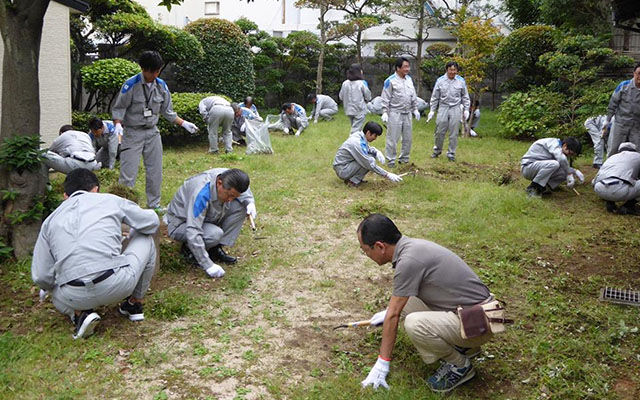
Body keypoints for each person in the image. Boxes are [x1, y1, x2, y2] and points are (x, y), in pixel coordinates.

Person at [357, 214, 495, 393]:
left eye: (365, 250)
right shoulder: (412, 247)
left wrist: (382, 364)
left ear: (379, 246)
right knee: (405, 303)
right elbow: (399, 305)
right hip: (478, 314)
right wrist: (390, 312)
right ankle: (466, 347)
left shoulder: (408, 262)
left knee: (415, 324)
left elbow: (394, 315)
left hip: (481, 322)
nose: (366, 255)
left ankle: (460, 365)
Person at [32, 169, 159, 339]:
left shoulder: (50, 220)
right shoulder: (110, 200)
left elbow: (41, 276)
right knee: (146, 237)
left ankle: (79, 314)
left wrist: (51, 285)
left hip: (73, 295)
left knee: (53, 288)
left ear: (65, 196)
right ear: (96, 189)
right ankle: (134, 304)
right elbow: (151, 223)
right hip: (117, 284)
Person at [111, 50, 199, 210]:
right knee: (128, 171)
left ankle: (154, 204)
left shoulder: (161, 86)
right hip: (133, 132)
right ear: (143, 69)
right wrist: (118, 124)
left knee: (155, 170)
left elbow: (167, 111)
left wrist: (184, 123)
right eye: (150, 71)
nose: (154, 74)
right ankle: (123, 206)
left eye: (157, 71)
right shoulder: (130, 85)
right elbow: (120, 108)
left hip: (152, 132)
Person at [165, 168, 257, 279]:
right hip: (181, 223)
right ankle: (190, 251)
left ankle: (214, 249)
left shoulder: (229, 176)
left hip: (204, 217)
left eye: (234, 196)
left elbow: (243, 192)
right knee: (214, 234)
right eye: (230, 195)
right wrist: (207, 265)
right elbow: (193, 230)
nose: (230, 200)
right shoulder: (201, 194)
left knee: (241, 207)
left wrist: (249, 202)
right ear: (219, 183)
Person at [333, 121, 403, 187]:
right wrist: (387, 174)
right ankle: (352, 181)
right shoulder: (356, 143)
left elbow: (367, 148)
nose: (375, 138)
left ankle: (354, 179)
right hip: (342, 169)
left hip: (346, 165)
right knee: (369, 160)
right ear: (368, 133)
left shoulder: (359, 136)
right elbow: (368, 163)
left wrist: (376, 152)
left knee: (371, 155)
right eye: (375, 136)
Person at [427, 61, 471, 162]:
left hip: (455, 107)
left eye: (454, 70)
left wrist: (466, 109)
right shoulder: (440, 81)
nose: (452, 72)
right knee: (439, 130)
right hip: (443, 107)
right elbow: (435, 97)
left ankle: (451, 153)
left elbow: (465, 96)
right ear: (447, 70)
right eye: (451, 69)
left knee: (454, 132)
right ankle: (437, 150)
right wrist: (432, 110)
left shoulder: (461, 81)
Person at [380, 57, 419, 168]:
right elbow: (385, 98)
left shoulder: (409, 79)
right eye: (405, 67)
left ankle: (404, 158)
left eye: (408, 66)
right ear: (398, 68)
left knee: (407, 138)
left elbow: (413, 95)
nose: (407, 69)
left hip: (407, 113)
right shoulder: (390, 81)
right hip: (395, 113)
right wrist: (385, 112)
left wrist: (415, 108)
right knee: (393, 137)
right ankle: (391, 160)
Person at [603, 63, 640, 158]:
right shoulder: (623, 86)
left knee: (637, 151)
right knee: (613, 149)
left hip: (636, 126)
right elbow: (613, 104)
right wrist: (607, 121)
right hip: (620, 123)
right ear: (634, 73)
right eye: (639, 73)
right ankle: (609, 170)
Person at [593, 142, 640, 214]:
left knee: (612, 179)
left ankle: (610, 202)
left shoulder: (612, 157)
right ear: (634, 150)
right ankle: (628, 206)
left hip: (599, 188)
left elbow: (594, 181)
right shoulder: (637, 156)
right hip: (618, 191)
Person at [339, 64, 372, 132]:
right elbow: (368, 97)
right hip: (359, 110)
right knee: (355, 130)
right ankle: (351, 141)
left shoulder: (345, 83)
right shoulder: (361, 83)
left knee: (355, 127)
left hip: (348, 110)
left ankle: (357, 141)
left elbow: (341, 96)